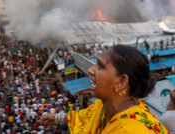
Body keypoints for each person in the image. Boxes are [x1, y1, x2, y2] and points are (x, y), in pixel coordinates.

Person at [40, 45, 169, 134]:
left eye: (100, 66)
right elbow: (85, 117)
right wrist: (57, 118)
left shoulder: (132, 130)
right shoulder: (102, 108)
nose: (90, 70)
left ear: (121, 82)